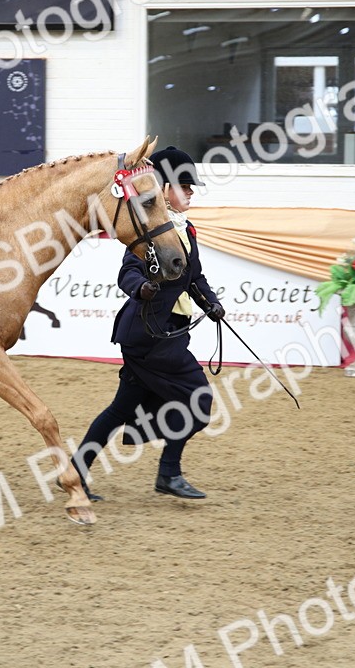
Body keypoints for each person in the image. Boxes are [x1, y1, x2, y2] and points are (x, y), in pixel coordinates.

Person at [71, 146, 225, 500]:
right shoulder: (154, 227)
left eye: (191, 186)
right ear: (165, 188)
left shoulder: (188, 231)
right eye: (184, 185)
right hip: (148, 336)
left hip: (168, 334)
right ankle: (169, 474)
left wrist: (212, 304)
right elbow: (128, 271)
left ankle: (75, 472)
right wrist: (141, 289)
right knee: (198, 399)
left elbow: (194, 277)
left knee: (120, 409)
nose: (190, 192)